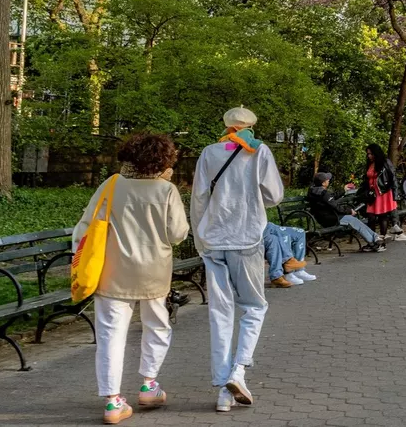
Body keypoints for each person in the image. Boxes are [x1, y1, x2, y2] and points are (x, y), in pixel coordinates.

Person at [74, 133, 190, 425]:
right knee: (157, 327)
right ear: (164, 161)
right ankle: (149, 386)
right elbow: (178, 234)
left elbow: (85, 228)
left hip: (113, 273)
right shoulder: (166, 190)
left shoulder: (111, 185)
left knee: (111, 336)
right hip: (153, 272)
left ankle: (113, 402)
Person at [190, 107, 285, 413]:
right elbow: (274, 196)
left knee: (220, 311)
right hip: (246, 238)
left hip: (213, 239)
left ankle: (223, 390)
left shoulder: (209, 152)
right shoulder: (259, 151)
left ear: (227, 126)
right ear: (250, 126)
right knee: (254, 306)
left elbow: (198, 198)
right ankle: (238, 371)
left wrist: (200, 239)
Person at [307, 172, 384, 252]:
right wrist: (349, 211)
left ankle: (375, 237)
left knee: (354, 220)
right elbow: (336, 207)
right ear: (323, 183)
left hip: (324, 217)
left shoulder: (314, 191)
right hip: (330, 218)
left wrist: (343, 190)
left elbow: (330, 197)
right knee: (353, 220)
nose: (329, 181)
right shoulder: (323, 193)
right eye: (327, 180)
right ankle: (373, 242)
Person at [364, 144, 406, 242]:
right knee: (371, 216)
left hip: (383, 192)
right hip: (372, 193)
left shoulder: (385, 162)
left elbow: (393, 177)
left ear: (376, 153)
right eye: (368, 154)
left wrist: (395, 194)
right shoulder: (370, 164)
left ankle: (382, 236)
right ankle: (373, 238)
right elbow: (366, 178)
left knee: (383, 215)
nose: (369, 156)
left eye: (371, 154)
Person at [262, 222, 316, 287]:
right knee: (283, 235)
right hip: (254, 230)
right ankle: (288, 271)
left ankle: (298, 270)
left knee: (300, 232)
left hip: (264, 226)